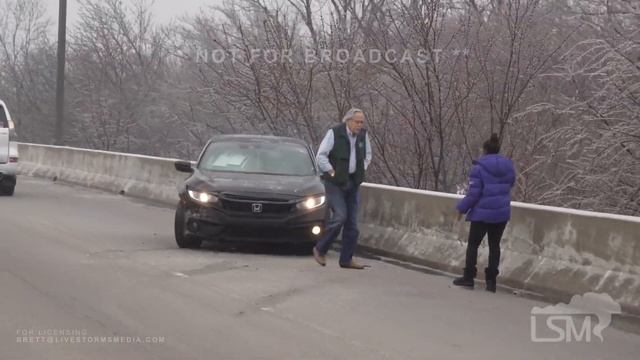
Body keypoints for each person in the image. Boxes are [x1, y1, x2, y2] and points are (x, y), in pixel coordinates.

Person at [453, 133, 515, 292]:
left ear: (485, 150)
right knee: (495, 246)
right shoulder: (508, 166)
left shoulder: (479, 168)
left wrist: (461, 208)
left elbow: (474, 193)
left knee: (473, 244)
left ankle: (468, 278)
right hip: (501, 213)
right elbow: (511, 184)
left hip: (482, 213)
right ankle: (491, 281)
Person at [313, 108, 372, 269]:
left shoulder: (363, 136)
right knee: (340, 217)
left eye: (362, 122)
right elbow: (321, 156)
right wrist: (332, 171)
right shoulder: (334, 133)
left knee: (352, 224)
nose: (359, 125)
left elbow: (367, 156)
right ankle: (320, 248)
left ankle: (346, 259)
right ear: (348, 121)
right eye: (357, 122)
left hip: (352, 182)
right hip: (334, 183)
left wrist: (361, 169)